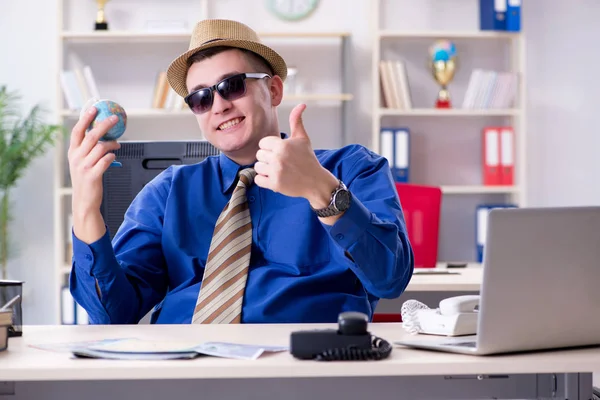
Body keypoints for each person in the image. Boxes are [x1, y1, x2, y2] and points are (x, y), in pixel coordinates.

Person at [68, 19, 414, 325]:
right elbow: (112, 314)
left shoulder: (350, 168)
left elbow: (390, 278)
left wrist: (321, 191)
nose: (219, 105)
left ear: (274, 90)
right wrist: (84, 208)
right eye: (201, 98)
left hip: (302, 369)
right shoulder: (168, 192)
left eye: (232, 85)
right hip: (183, 368)